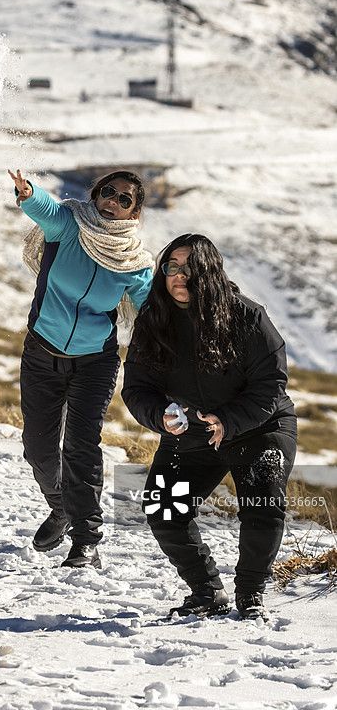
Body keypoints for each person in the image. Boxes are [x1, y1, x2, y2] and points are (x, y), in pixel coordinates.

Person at [122, 233, 297, 620]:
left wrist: (228, 419)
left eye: (190, 268)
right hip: (193, 430)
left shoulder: (247, 316)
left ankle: (250, 594)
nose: (179, 276)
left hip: (258, 425)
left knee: (262, 505)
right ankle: (207, 591)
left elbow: (270, 383)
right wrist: (161, 416)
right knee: (164, 508)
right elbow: (137, 387)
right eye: (172, 267)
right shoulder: (154, 320)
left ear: (211, 272)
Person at [9, 168, 153, 568]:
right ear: (96, 194)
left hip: (95, 362)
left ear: (134, 213)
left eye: (124, 199)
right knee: (38, 449)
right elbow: (45, 209)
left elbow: (151, 312)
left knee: (81, 447)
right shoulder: (68, 226)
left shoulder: (132, 262)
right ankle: (61, 508)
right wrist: (28, 192)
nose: (113, 202)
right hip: (41, 354)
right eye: (108, 192)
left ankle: (86, 541)